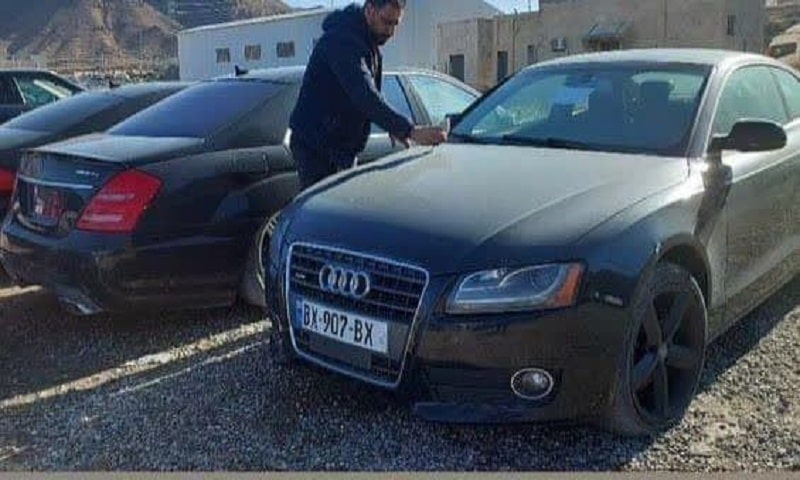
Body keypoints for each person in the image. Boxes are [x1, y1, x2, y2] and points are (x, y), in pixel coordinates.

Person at [288, 0, 448, 190]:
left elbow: (370, 93)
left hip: (339, 147)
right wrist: (409, 131)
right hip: (319, 147)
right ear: (370, 11)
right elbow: (363, 93)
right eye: (386, 22)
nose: (391, 31)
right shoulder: (343, 41)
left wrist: (392, 126)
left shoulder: (364, 40)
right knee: (326, 206)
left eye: (395, 24)